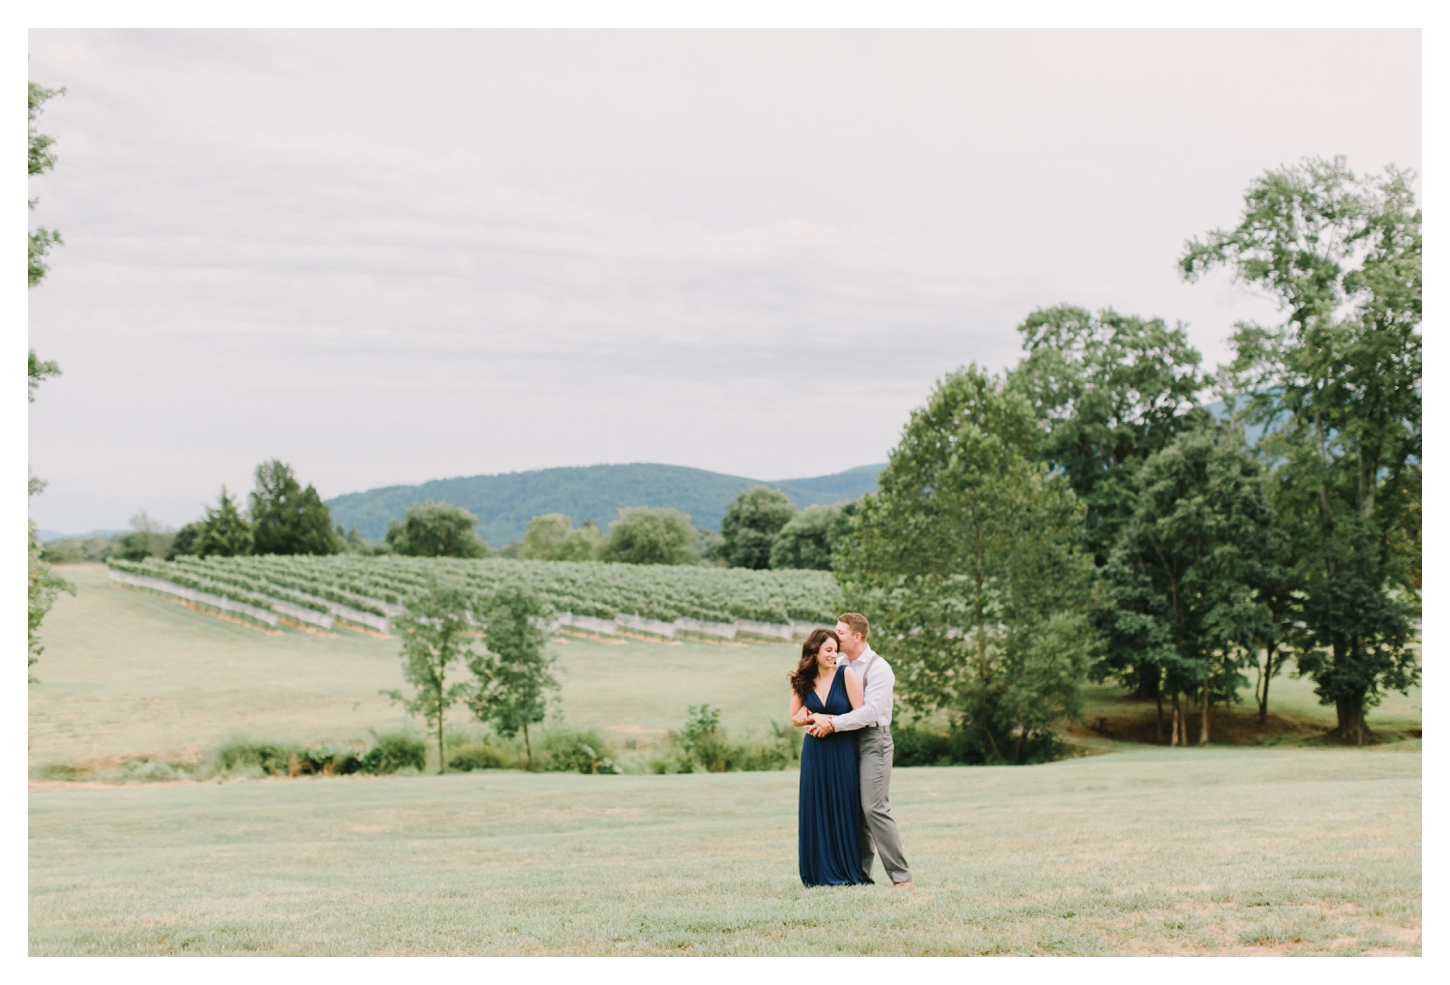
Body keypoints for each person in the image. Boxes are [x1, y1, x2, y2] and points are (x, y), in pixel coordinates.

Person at [805, 613, 913, 889]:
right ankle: (859, 874)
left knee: (873, 806)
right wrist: (817, 718)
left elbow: (870, 711)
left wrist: (832, 723)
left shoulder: (879, 668)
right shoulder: (839, 663)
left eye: (840, 632)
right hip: (844, 741)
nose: (835, 636)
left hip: (873, 740)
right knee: (852, 809)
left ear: (857, 636)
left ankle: (901, 876)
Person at [789, 628, 867, 886]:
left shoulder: (846, 674)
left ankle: (846, 871)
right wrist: (810, 718)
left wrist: (828, 719)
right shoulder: (801, 679)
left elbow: (860, 715)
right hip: (814, 752)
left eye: (836, 649)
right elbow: (795, 717)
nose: (835, 654)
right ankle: (817, 872)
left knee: (843, 806)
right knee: (815, 808)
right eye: (829, 650)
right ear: (814, 651)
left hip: (842, 749)